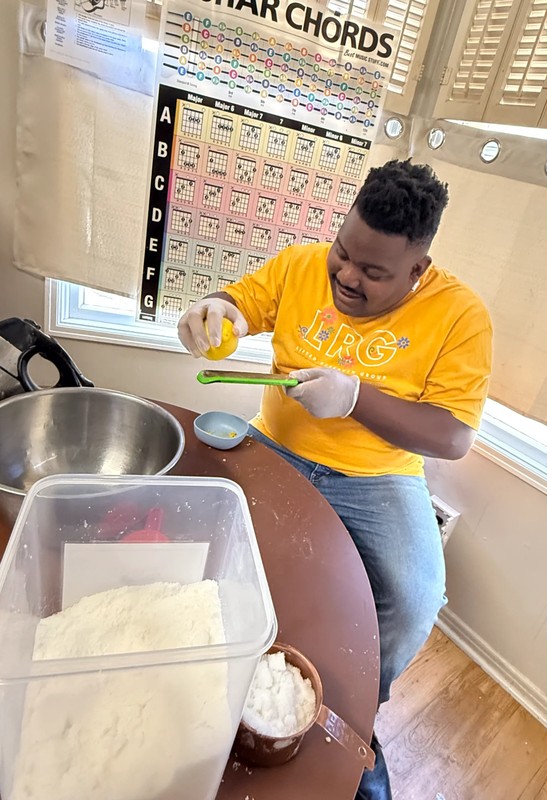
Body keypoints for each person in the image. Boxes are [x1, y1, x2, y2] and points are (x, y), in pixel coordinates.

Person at [177, 159, 493, 799]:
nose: (347, 276)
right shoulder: (300, 265)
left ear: (417, 270)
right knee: (203, 532)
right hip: (278, 441)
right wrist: (217, 312)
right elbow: (241, 302)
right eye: (343, 254)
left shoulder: (461, 315)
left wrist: (357, 399)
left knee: (414, 599)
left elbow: (454, 436)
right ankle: (217, 664)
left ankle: (353, 715)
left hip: (380, 475)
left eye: (373, 273)